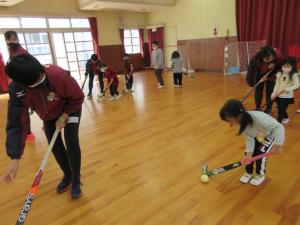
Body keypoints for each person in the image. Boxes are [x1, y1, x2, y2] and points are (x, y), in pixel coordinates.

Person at [3, 54, 84, 199]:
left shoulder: (58, 76)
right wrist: (15, 157)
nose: (42, 79)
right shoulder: (18, 90)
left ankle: (76, 179)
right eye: (37, 81)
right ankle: (68, 175)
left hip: (70, 107)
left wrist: (65, 115)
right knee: (55, 146)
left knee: (71, 141)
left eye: (42, 76)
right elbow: (17, 122)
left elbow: (77, 97)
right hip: (49, 115)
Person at [219, 99, 285, 186]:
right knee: (248, 153)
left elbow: (279, 127)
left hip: (270, 134)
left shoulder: (259, 118)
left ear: (239, 116)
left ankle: (260, 175)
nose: (230, 124)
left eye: (230, 120)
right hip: (258, 134)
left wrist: (278, 145)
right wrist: (249, 155)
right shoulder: (239, 124)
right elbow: (249, 138)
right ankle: (248, 172)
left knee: (261, 153)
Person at [4, 30, 35, 142]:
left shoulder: (21, 52)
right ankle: (28, 132)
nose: (11, 41)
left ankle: (28, 133)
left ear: (17, 39)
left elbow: (29, 68)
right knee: (26, 108)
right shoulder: (12, 51)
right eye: (9, 39)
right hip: (18, 83)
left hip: (25, 83)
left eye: (14, 38)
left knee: (27, 107)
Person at [246, 46, 284, 113]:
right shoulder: (255, 58)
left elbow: (281, 69)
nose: (270, 60)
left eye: (271, 58)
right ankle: (258, 107)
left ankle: (268, 109)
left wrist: (270, 77)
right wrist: (250, 81)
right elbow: (250, 70)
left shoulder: (278, 55)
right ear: (262, 57)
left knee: (270, 91)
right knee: (258, 90)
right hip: (259, 74)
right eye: (267, 59)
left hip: (272, 74)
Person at [271, 57, 300, 124]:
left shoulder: (294, 75)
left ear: (292, 67)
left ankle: (277, 123)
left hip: (287, 96)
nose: (285, 68)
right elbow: (277, 84)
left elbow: (297, 85)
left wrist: (287, 89)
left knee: (281, 110)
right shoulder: (279, 74)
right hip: (278, 95)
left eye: (288, 66)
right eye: (284, 66)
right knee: (280, 108)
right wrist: (274, 93)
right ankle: (286, 117)